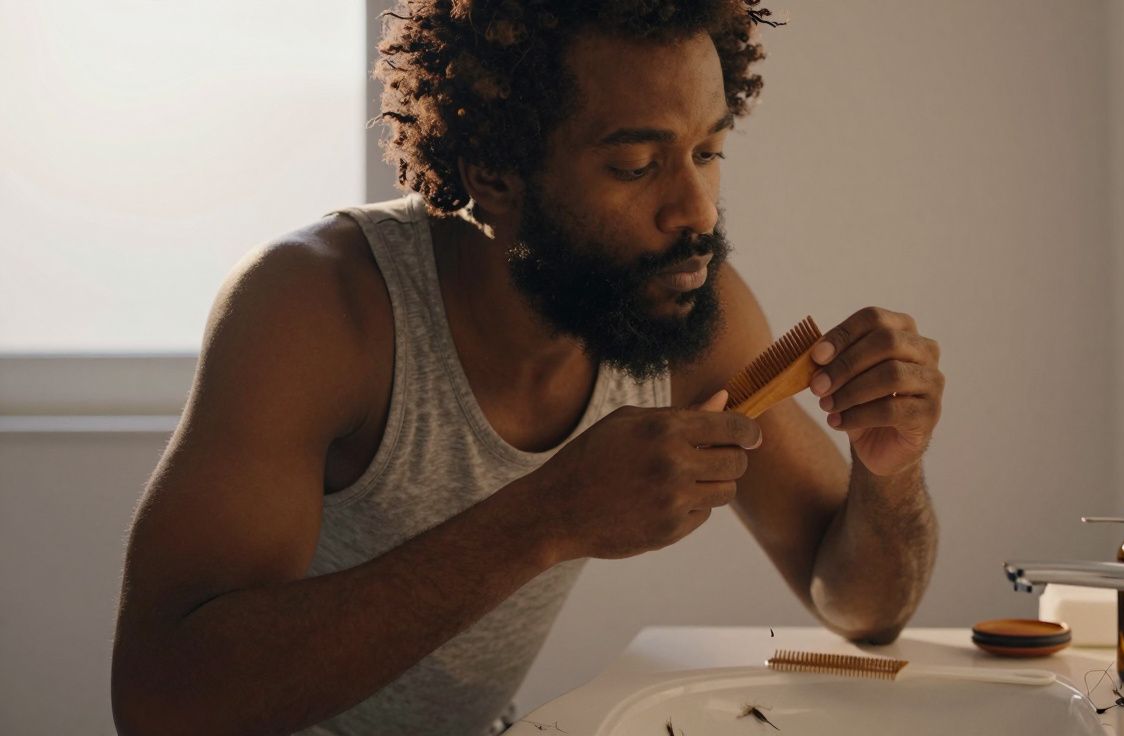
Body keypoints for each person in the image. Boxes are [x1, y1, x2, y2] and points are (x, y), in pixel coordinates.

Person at [109, 1, 945, 734]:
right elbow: (162, 702)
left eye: (708, 151)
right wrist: (546, 517)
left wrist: (889, 471)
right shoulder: (317, 306)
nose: (696, 212)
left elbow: (862, 609)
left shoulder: (682, 310)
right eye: (635, 165)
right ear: (494, 172)